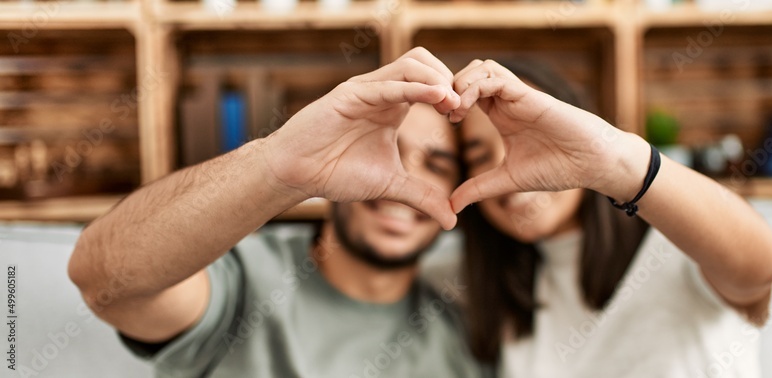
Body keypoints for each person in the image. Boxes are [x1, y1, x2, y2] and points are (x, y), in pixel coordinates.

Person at [68, 48, 488, 377]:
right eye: (386, 151)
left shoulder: (464, 334)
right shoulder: (242, 278)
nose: (401, 181)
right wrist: (279, 166)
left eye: (437, 166)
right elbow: (101, 279)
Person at [448, 60, 772, 377]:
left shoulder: (674, 238)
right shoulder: (490, 288)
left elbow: (758, 271)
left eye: (530, 139)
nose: (510, 165)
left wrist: (615, 164)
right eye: (479, 156)